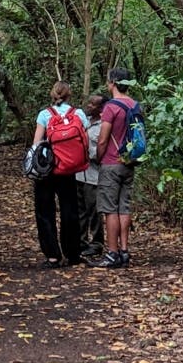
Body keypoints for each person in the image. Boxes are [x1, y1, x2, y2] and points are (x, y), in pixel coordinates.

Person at [28, 81, 89, 266]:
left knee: (44, 211)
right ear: (69, 95)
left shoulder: (45, 114)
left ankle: (53, 255)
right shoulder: (78, 114)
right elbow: (84, 139)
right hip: (68, 169)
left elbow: (37, 143)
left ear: (52, 95)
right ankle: (73, 254)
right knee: (70, 211)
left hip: (47, 169)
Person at [95, 68, 141, 269]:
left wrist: (98, 156)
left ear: (113, 82)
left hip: (111, 162)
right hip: (129, 163)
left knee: (110, 209)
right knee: (124, 207)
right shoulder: (135, 105)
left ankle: (112, 253)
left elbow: (103, 138)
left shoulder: (110, 107)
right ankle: (124, 250)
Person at [76, 91, 107, 263]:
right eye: (89, 103)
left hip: (94, 174)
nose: (89, 106)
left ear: (101, 108)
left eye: (93, 104)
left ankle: (96, 243)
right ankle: (81, 241)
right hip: (79, 174)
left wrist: (87, 152)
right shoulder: (84, 122)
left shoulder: (104, 126)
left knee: (94, 211)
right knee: (80, 210)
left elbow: (102, 151)